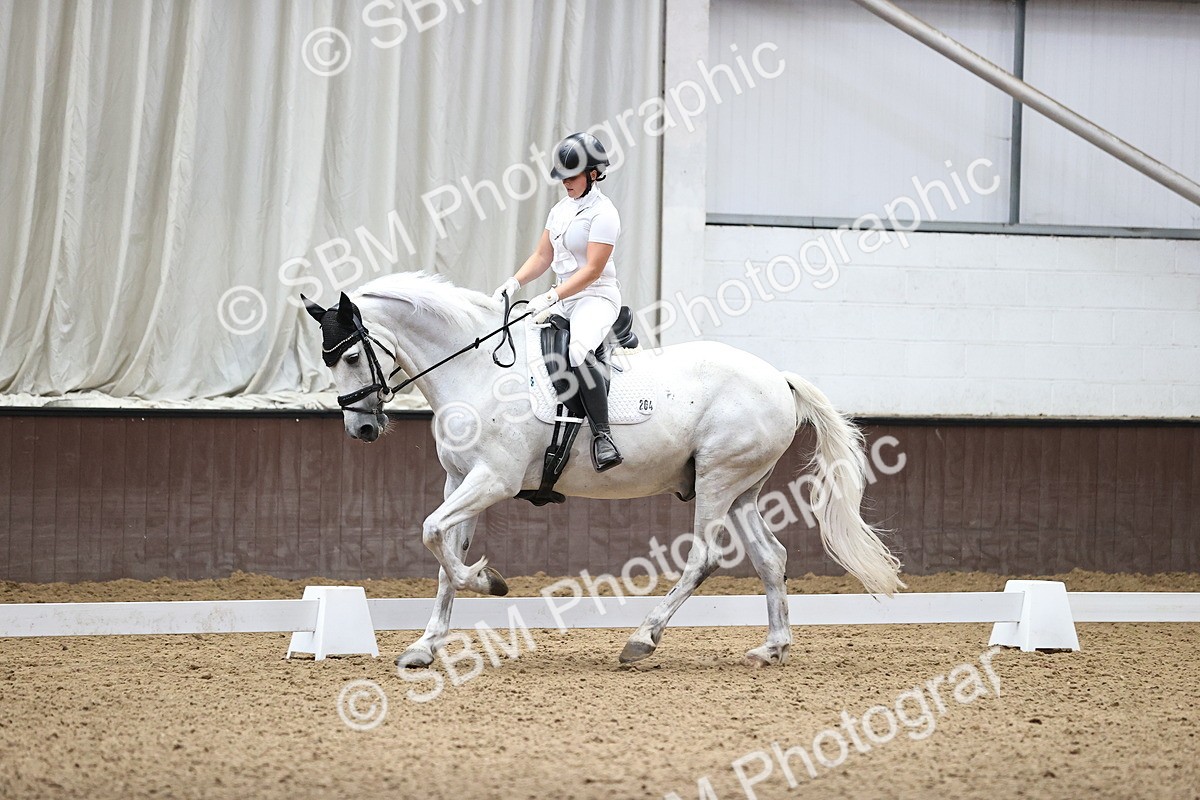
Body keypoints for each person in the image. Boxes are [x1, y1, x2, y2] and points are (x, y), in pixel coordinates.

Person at [492, 132, 623, 471]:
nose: (566, 182)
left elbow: (592, 270)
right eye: (563, 176)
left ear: (593, 174)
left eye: (572, 176)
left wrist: (551, 296)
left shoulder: (604, 214)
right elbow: (542, 255)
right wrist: (514, 282)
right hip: (563, 297)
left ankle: (603, 436)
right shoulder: (561, 210)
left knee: (578, 351)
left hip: (595, 297)